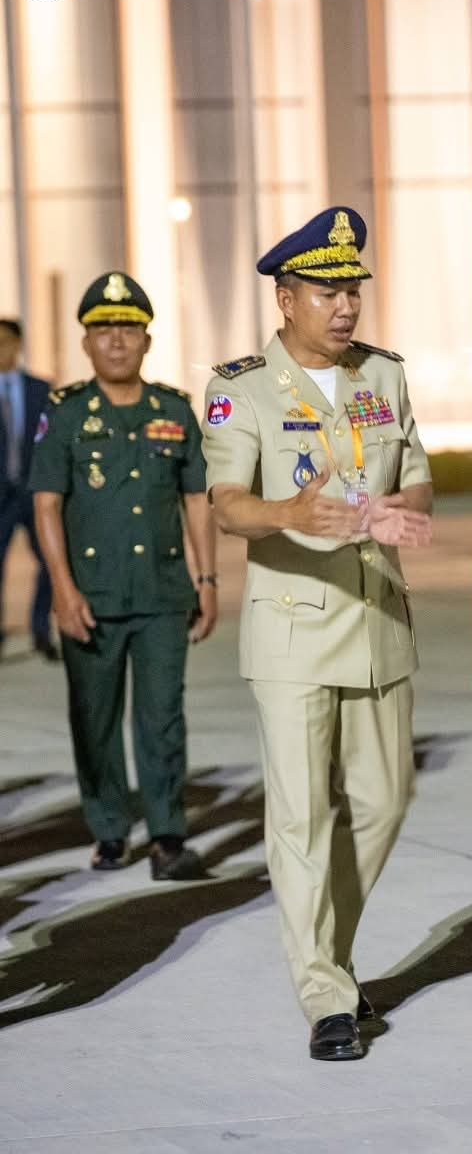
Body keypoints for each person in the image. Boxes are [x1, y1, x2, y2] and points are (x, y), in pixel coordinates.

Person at [202, 206, 432, 1063]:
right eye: (326, 292)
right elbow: (227, 504)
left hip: (377, 620)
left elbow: (416, 480)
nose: (344, 307)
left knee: (383, 802)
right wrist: (288, 514)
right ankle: (326, 995)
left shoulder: (386, 376)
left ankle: (326, 952)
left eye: (352, 291)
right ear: (285, 298)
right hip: (293, 630)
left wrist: (402, 513)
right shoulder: (240, 388)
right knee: (300, 818)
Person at [29, 272, 217, 879]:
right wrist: (62, 590)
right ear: (86, 342)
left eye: (129, 329)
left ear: (147, 340)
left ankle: (167, 835)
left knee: (163, 718)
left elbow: (197, 500)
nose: (116, 341)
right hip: (91, 595)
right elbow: (46, 504)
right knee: (94, 719)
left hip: (163, 594)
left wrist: (207, 581)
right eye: (104, 329)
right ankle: (110, 828)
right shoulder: (65, 414)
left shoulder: (174, 411)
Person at [0, 318, 57, 660]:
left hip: (35, 493)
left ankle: (41, 629)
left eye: (5, 341)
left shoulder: (41, 389)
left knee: (51, 558)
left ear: (18, 344)